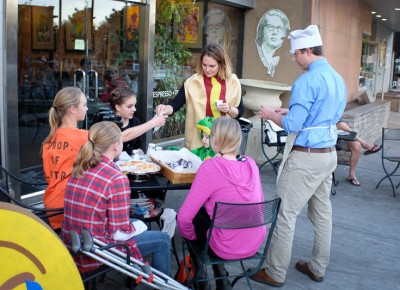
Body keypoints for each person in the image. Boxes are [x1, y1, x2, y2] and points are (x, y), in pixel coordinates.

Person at [251, 25, 347, 287]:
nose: (293, 58)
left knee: (284, 214)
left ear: (307, 50)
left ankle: (274, 271)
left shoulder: (306, 80)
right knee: (322, 214)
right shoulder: (337, 78)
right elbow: (322, 117)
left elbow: (294, 125)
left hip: (306, 158)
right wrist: (287, 111)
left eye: (295, 53)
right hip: (328, 155)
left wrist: (272, 114)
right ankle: (318, 267)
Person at [62, 121, 171, 275]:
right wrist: (140, 226)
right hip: (96, 251)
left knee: (137, 223)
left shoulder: (81, 166)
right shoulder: (116, 178)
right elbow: (120, 233)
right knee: (163, 239)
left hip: (73, 243)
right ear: (115, 145)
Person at [177, 117, 266, 290]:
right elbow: (260, 207)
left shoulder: (210, 167)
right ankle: (222, 279)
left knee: (191, 221)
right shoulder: (252, 164)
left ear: (215, 140)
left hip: (224, 246)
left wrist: (192, 237)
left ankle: (201, 276)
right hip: (253, 243)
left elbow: (183, 218)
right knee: (205, 216)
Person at [155, 44, 243, 150]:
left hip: (224, 140)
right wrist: (164, 109)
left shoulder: (233, 82)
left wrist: (229, 109)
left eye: (212, 66)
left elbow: (240, 112)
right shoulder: (192, 82)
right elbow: (175, 105)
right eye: (204, 65)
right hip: (198, 140)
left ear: (221, 64)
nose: (207, 69)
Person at [42, 87, 89, 229]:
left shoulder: (49, 139)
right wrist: (154, 122)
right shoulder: (81, 137)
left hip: (50, 204)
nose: (87, 109)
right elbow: (117, 139)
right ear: (72, 109)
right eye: (85, 105)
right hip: (70, 206)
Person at [109, 87, 167, 156]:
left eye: (134, 105)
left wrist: (140, 152)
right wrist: (154, 122)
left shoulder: (135, 121)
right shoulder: (108, 124)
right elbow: (120, 137)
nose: (134, 109)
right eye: (129, 106)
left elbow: (139, 146)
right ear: (117, 107)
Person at [336, 121, 382, 186]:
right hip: (325, 138)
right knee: (341, 124)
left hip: (339, 137)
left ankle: (351, 175)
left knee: (356, 145)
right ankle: (365, 144)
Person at [255, 9, 290, 77]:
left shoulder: (285, 58)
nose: (275, 32)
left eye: (279, 28)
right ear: (262, 30)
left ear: (284, 33)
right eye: (270, 27)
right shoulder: (253, 52)